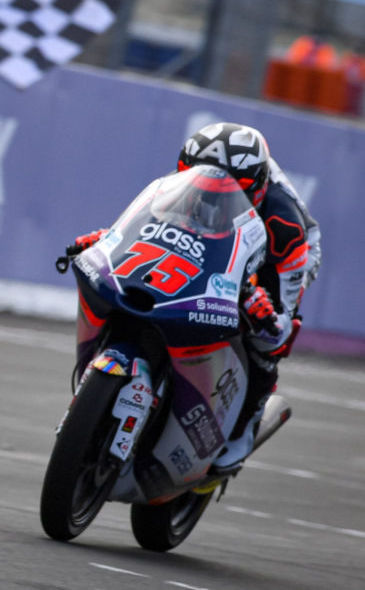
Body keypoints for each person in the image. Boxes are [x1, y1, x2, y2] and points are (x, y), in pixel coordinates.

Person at [64, 123, 321, 475]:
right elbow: (143, 226)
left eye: (234, 189)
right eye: (199, 180)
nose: (215, 194)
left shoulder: (286, 227)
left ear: (258, 186)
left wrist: (266, 312)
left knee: (267, 343)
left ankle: (243, 428)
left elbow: (279, 326)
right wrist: (107, 239)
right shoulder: (186, 180)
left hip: (277, 261)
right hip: (211, 240)